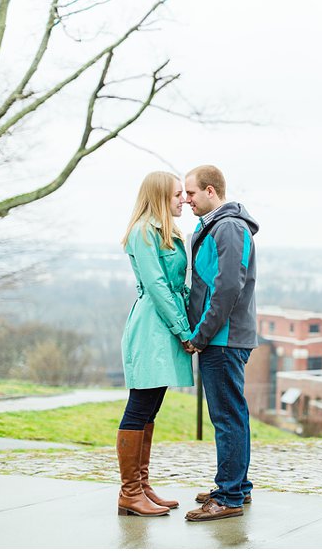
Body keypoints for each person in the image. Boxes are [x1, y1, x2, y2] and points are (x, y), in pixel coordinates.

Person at [181, 165, 260, 522]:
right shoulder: (216, 226)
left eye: (192, 193)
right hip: (221, 338)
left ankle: (228, 497)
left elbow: (228, 287)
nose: (186, 199)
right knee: (233, 415)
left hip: (223, 339)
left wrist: (200, 335)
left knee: (227, 417)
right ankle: (235, 486)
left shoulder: (229, 227)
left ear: (210, 191)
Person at [117, 171, 195, 516]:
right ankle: (129, 492)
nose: (183, 200)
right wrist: (183, 329)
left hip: (164, 327)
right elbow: (159, 287)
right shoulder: (143, 232)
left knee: (151, 408)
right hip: (153, 328)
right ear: (162, 196)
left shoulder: (164, 232)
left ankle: (142, 486)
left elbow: (177, 286)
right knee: (139, 406)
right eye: (178, 194)